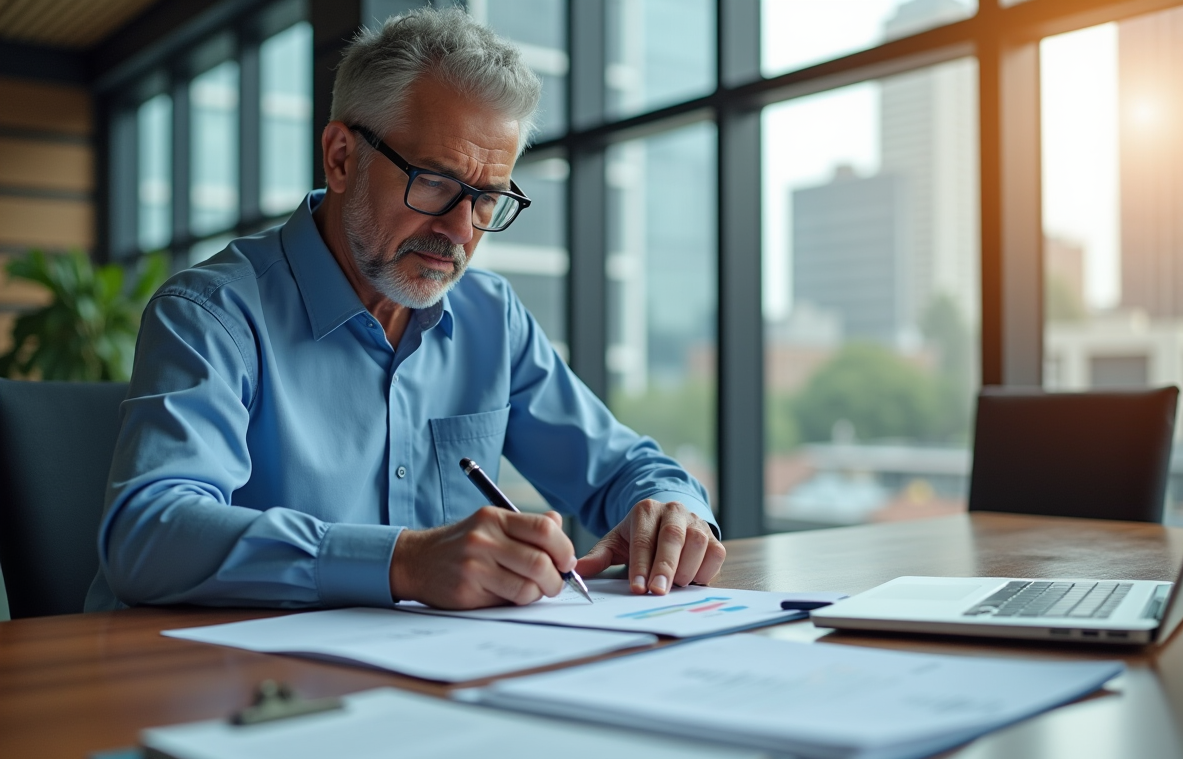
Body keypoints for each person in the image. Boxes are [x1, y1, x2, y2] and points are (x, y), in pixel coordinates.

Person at [85, 7, 724, 613]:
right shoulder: (211, 314)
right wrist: (404, 563)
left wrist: (669, 508)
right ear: (341, 158)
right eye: (436, 183)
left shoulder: (490, 316)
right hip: (227, 688)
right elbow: (148, 533)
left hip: (427, 679)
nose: (459, 230)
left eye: (486, 200)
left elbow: (621, 467)